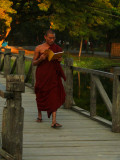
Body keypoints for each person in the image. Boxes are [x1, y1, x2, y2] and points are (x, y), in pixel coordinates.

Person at [33, 29, 66, 128]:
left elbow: (57, 62)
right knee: (40, 93)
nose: (52, 40)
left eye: (53, 38)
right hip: (42, 75)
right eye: (50, 38)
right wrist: (41, 59)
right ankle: (39, 115)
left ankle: (54, 121)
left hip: (53, 76)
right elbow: (34, 63)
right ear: (45, 37)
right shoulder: (39, 48)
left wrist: (59, 59)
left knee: (54, 96)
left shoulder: (57, 48)